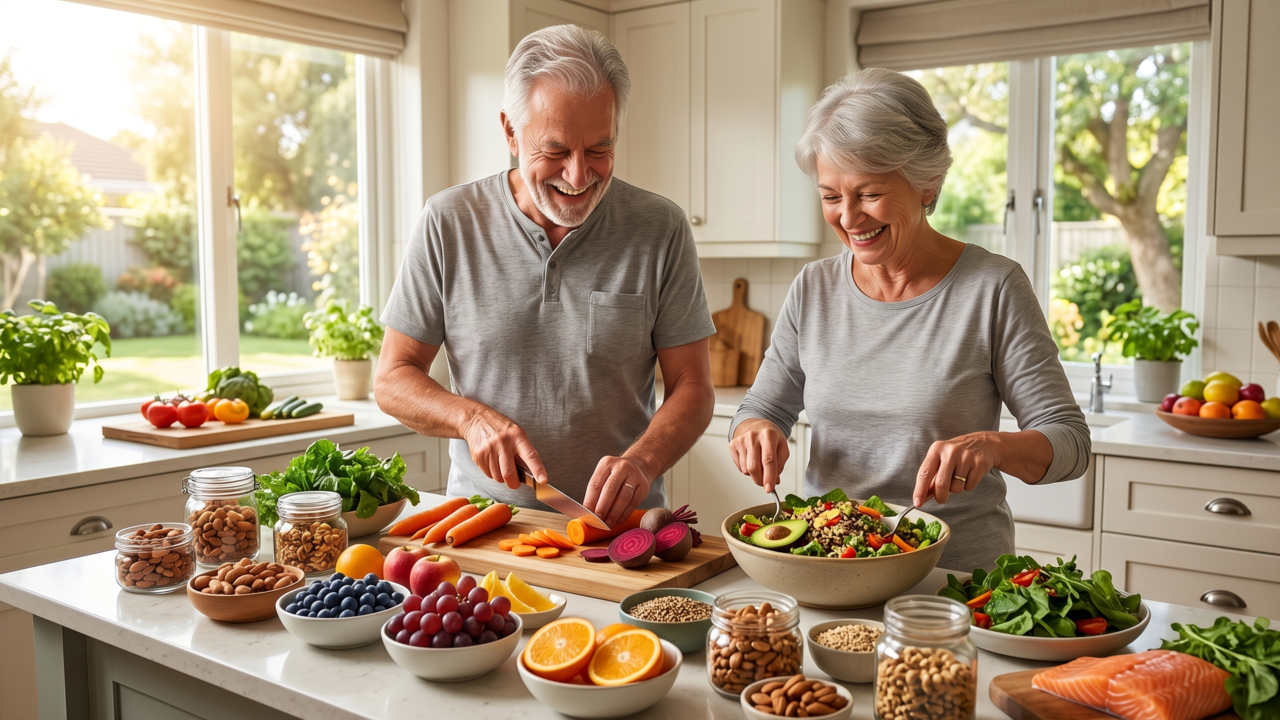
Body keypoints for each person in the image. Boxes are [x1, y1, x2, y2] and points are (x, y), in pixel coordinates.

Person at [728, 68, 1090, 572]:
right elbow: (762, 407)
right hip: (828, 566)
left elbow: (1070, 442)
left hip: (954, 579)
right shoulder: (814, 288)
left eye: (869, 194)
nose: (848, 218)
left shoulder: (993, 287)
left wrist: (992, 447)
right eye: (831, 196)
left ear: (927, 183)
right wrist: (753, 429)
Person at [375, 25, 716, 528]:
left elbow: (693, 385)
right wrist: (470, 419)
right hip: (481, 522)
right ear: (511, 132)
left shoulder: (659, 227)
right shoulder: (448, 222)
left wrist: (644, 461)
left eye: (599, 148)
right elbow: (392, 378)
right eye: (555, 150)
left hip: (620, 529)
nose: (578, 176)